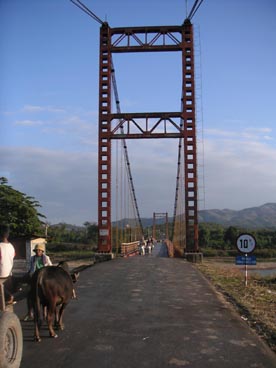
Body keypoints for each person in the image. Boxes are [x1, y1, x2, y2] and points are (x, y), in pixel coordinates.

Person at [23, 243, 52, 321]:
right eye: (36, 250)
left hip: (44, 278)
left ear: (42, 251)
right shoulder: (32, 258)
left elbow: (50, 267)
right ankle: (29, 312)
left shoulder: (46, 258)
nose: (38, 251)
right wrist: (28, 274)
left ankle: (46, 313)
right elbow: (30, 268)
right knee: (29, 294)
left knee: (49, 294)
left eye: (39, 250)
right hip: (34, 277)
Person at [0, 224, 16, 305]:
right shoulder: (11, 246)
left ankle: (10, 296)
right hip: (9, 274)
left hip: (1, 275)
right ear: (8, 235)